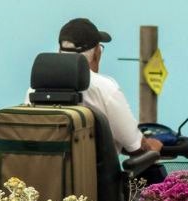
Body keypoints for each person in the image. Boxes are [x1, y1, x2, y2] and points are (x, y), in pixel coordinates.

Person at [56, 17, 164, 159]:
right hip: (93, 180)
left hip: (44, 179)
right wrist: (154, 146)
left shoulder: (34, 90)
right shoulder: (105, 88)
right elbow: (136, 147)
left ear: (59, 51)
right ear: (96, 53)